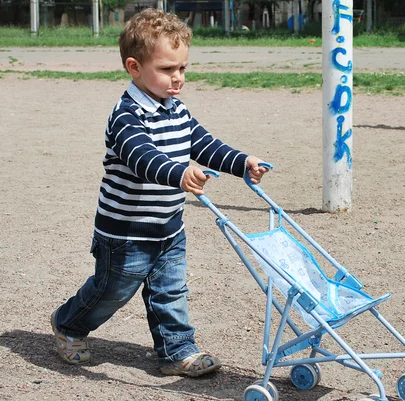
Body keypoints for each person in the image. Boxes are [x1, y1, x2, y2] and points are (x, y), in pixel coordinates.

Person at [50, 7, 269, 377]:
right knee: (112, 292)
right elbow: (142, 157)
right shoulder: (126, 116)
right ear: (135, 67)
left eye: (182, 68)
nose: (178, 78)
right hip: (125, 233)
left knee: (170, 292)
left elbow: (203, 143)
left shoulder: (175, 109)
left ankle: (176, 352)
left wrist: (241, 161)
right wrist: (178, 172)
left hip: (168, 227)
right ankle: (69, 324)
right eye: (167, 69)